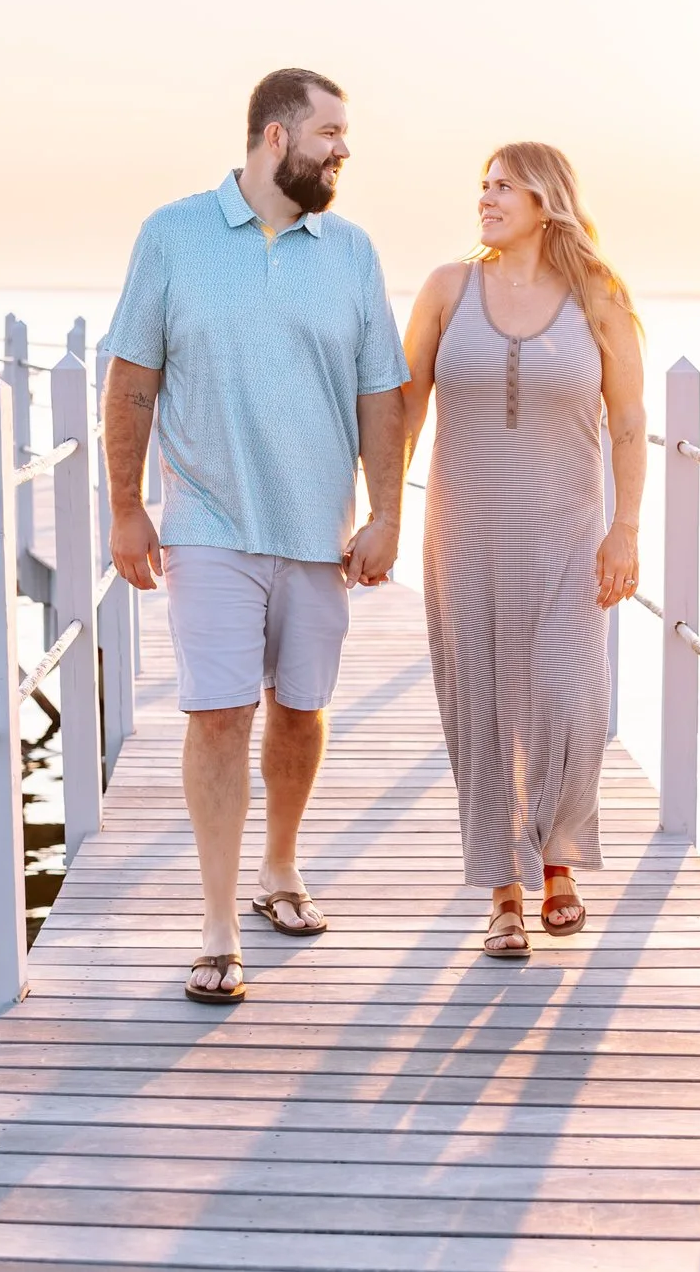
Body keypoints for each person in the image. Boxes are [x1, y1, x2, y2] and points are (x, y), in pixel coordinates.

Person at [101, 68, 409, 1004]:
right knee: (220, 711)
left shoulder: (351, 252)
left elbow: (381, 396)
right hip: (207, 521)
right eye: (330, 133)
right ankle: (219, 922)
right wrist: (125, 505)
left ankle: (281, 868)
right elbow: (133, 380)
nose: (343, 150)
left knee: (302, 709)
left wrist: (386, 511)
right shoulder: (173, 235)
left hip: (319, 529)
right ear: (276, 138)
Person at [401, 142, 645, 957]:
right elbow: (405, 405)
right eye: (483, 185)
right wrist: (382, 511)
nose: (487, 197)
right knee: (481, 706)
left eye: (504, 185)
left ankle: (560, 857)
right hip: (463, 531)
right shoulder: (446, 289)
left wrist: (627, 527)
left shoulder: (598, 297)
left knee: (572, 701)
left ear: (547, 200)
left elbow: (631, 422)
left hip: (570, 535)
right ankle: (505, 888)